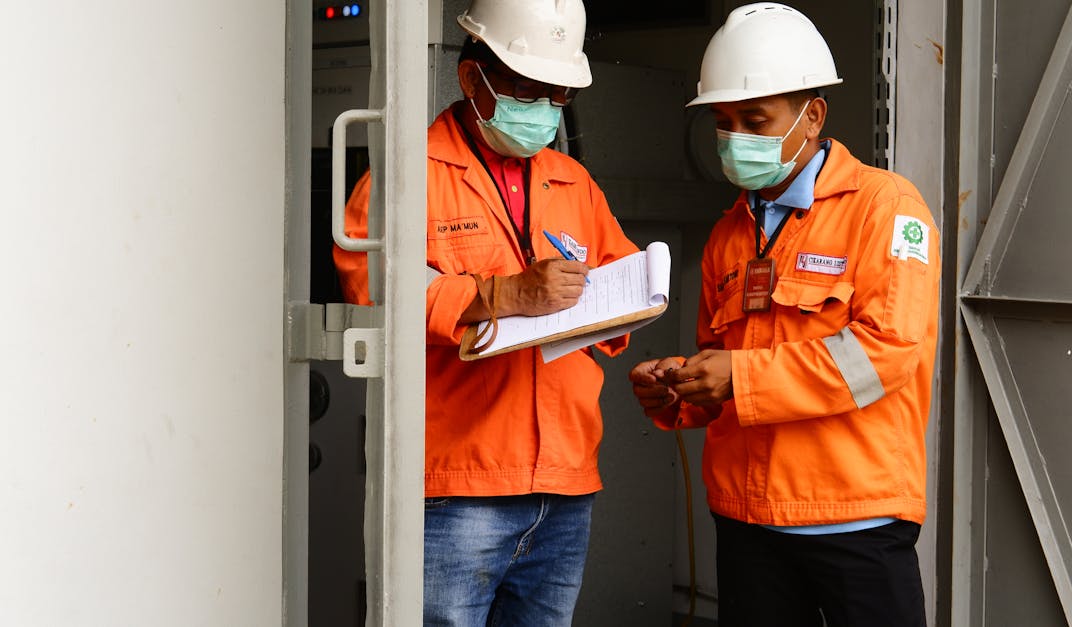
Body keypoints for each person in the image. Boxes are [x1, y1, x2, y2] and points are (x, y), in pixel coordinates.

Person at [629, 4, 940, 627]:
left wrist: (738, 379)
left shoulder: (885, 208)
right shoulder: (729, 233)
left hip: (855, 519)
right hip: (749, 522)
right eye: (724, 122)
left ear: (813, 116)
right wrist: (680, 391)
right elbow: (722, 369)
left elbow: (885, 355)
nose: (736, 137)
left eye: (755, 119)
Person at [334, 0, 639, 624]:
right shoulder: (403, 178)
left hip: (564, 483)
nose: (546, 113)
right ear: (473, 80)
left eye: (556, 98)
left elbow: (620, 280)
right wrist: (501, 295)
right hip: (455, 488)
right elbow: (375, 292)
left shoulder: (573, 181)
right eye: (530, 92)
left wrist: (627, 306)